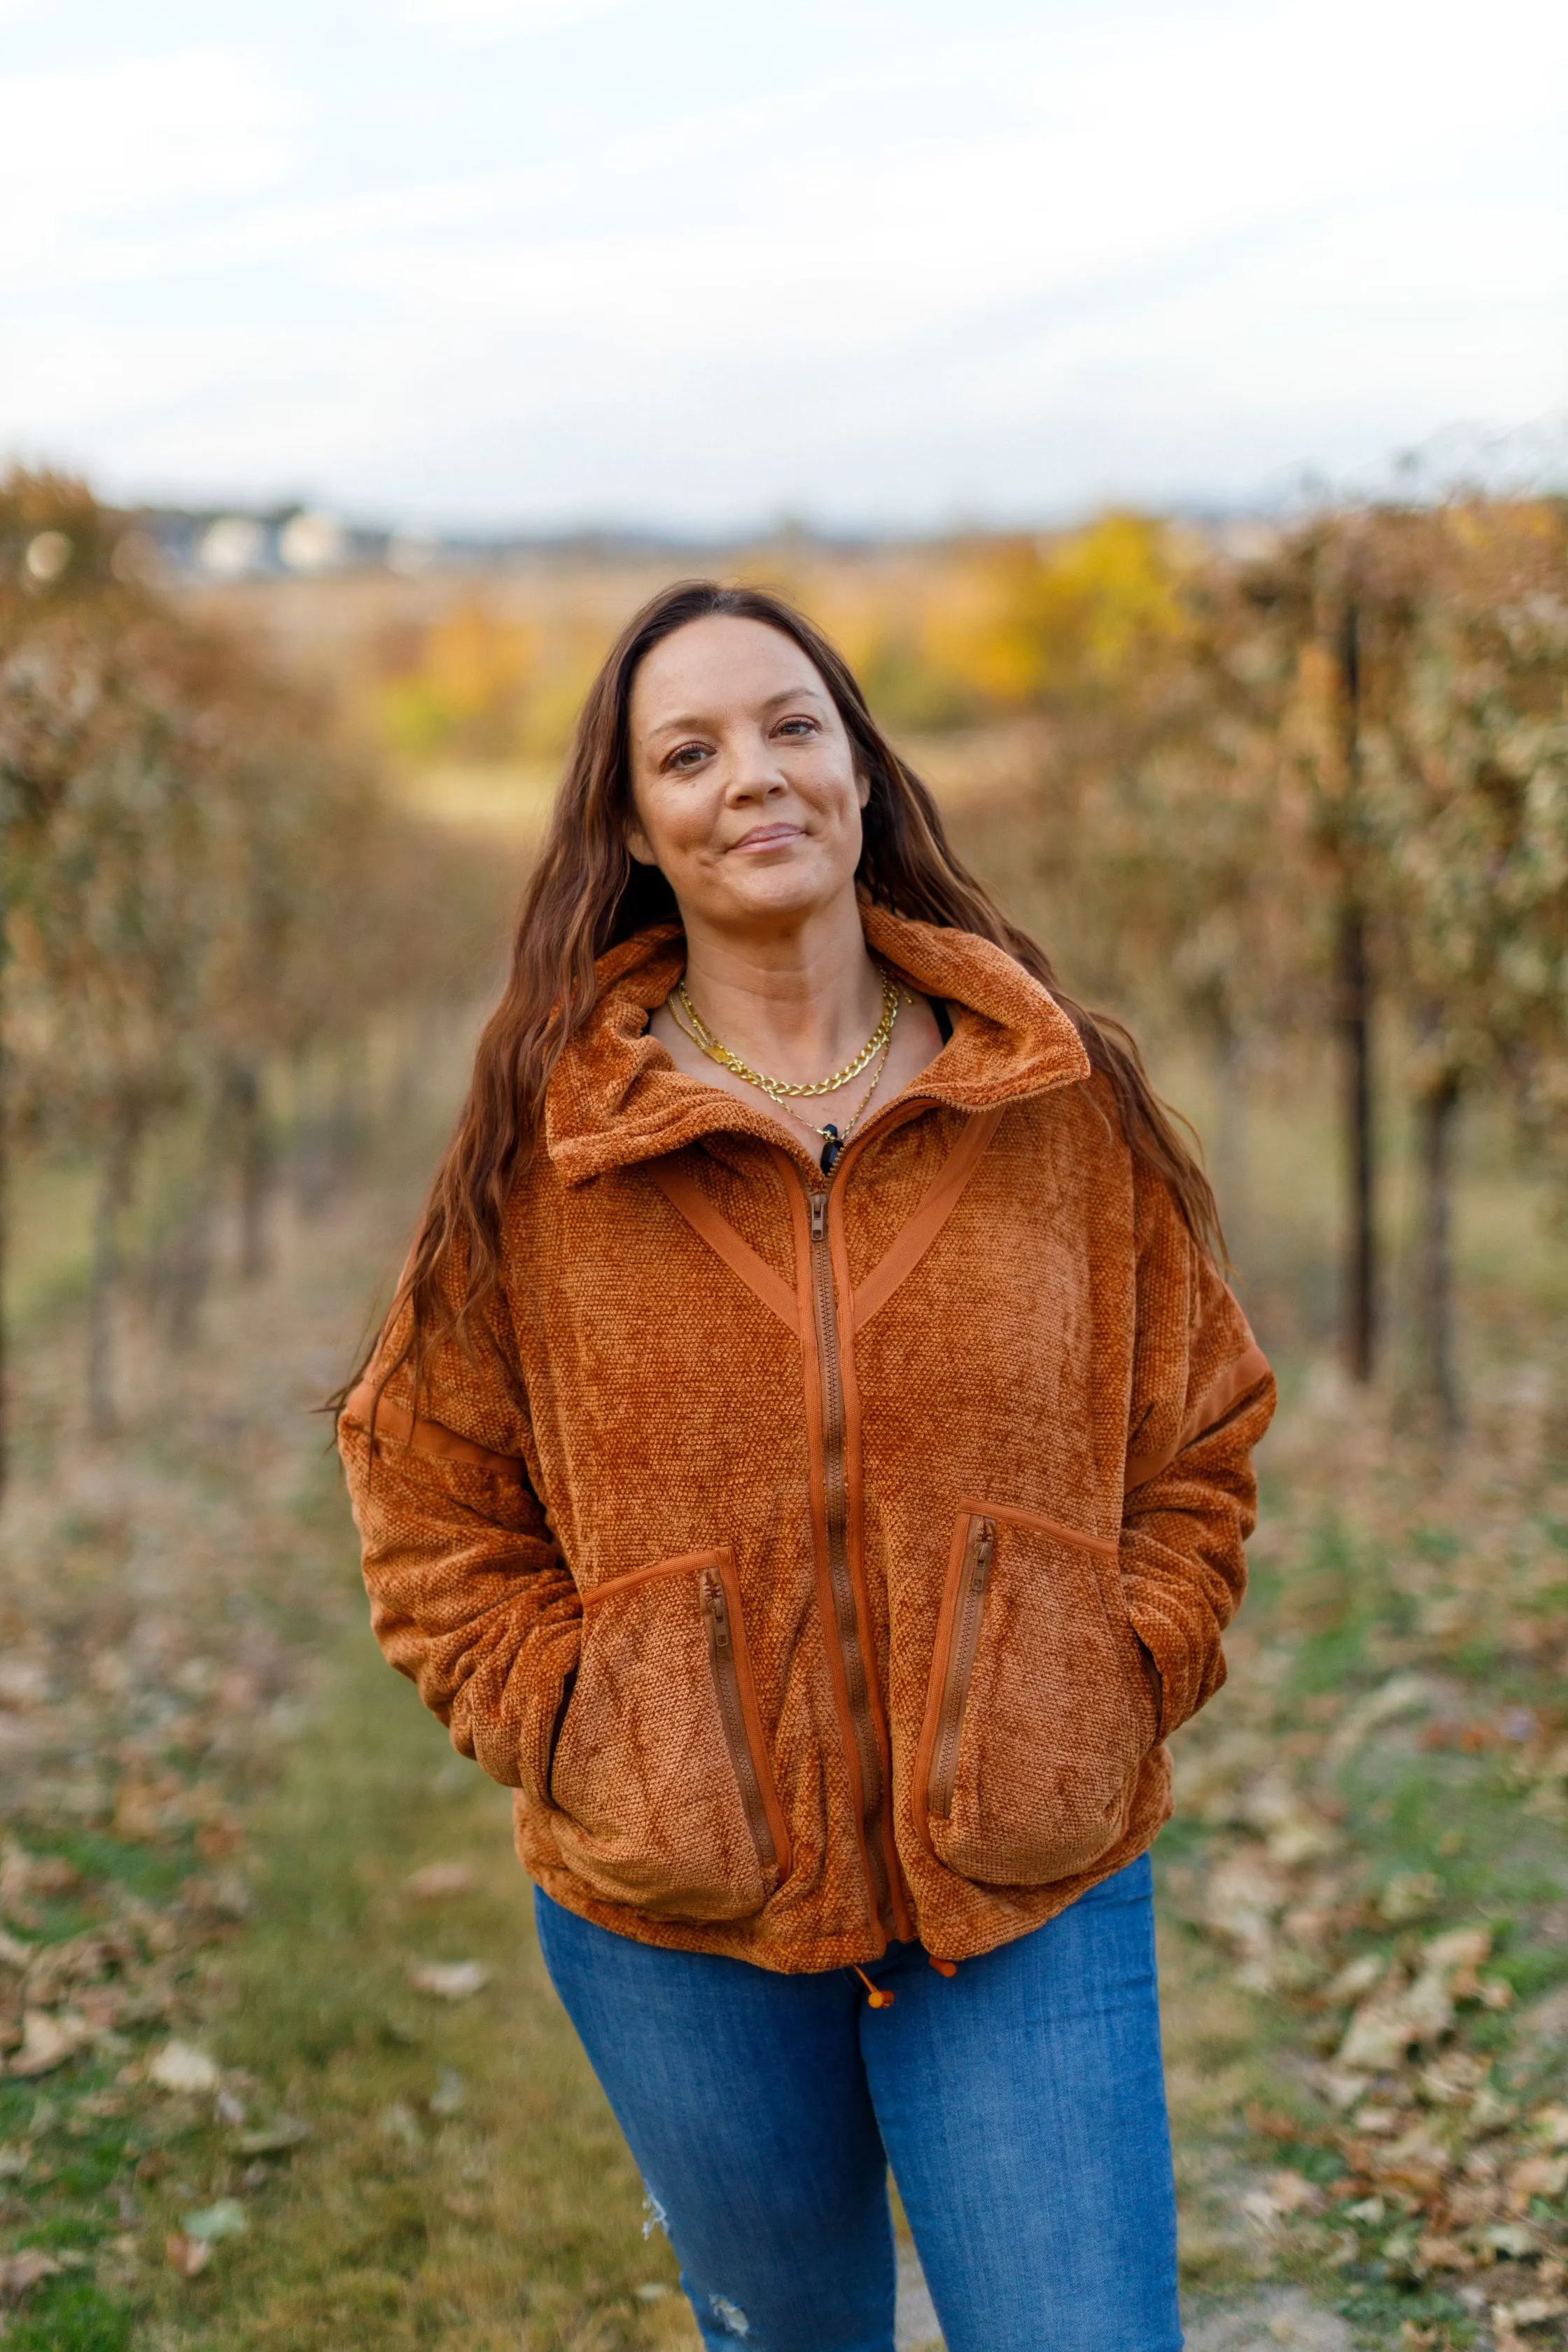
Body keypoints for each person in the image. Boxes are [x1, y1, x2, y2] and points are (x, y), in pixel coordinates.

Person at [338, 580, 1275, 2352]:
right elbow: (424, 1484)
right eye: (685, 752)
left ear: (858, 770)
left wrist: (1116, 1664)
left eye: (789, 727)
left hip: (1026, 1873)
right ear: (632, 825)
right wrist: (580, 1721)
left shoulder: (1051, 1103)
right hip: (673, 1912)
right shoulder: (550, 1146)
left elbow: (1201, 1424)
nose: (749, 777)